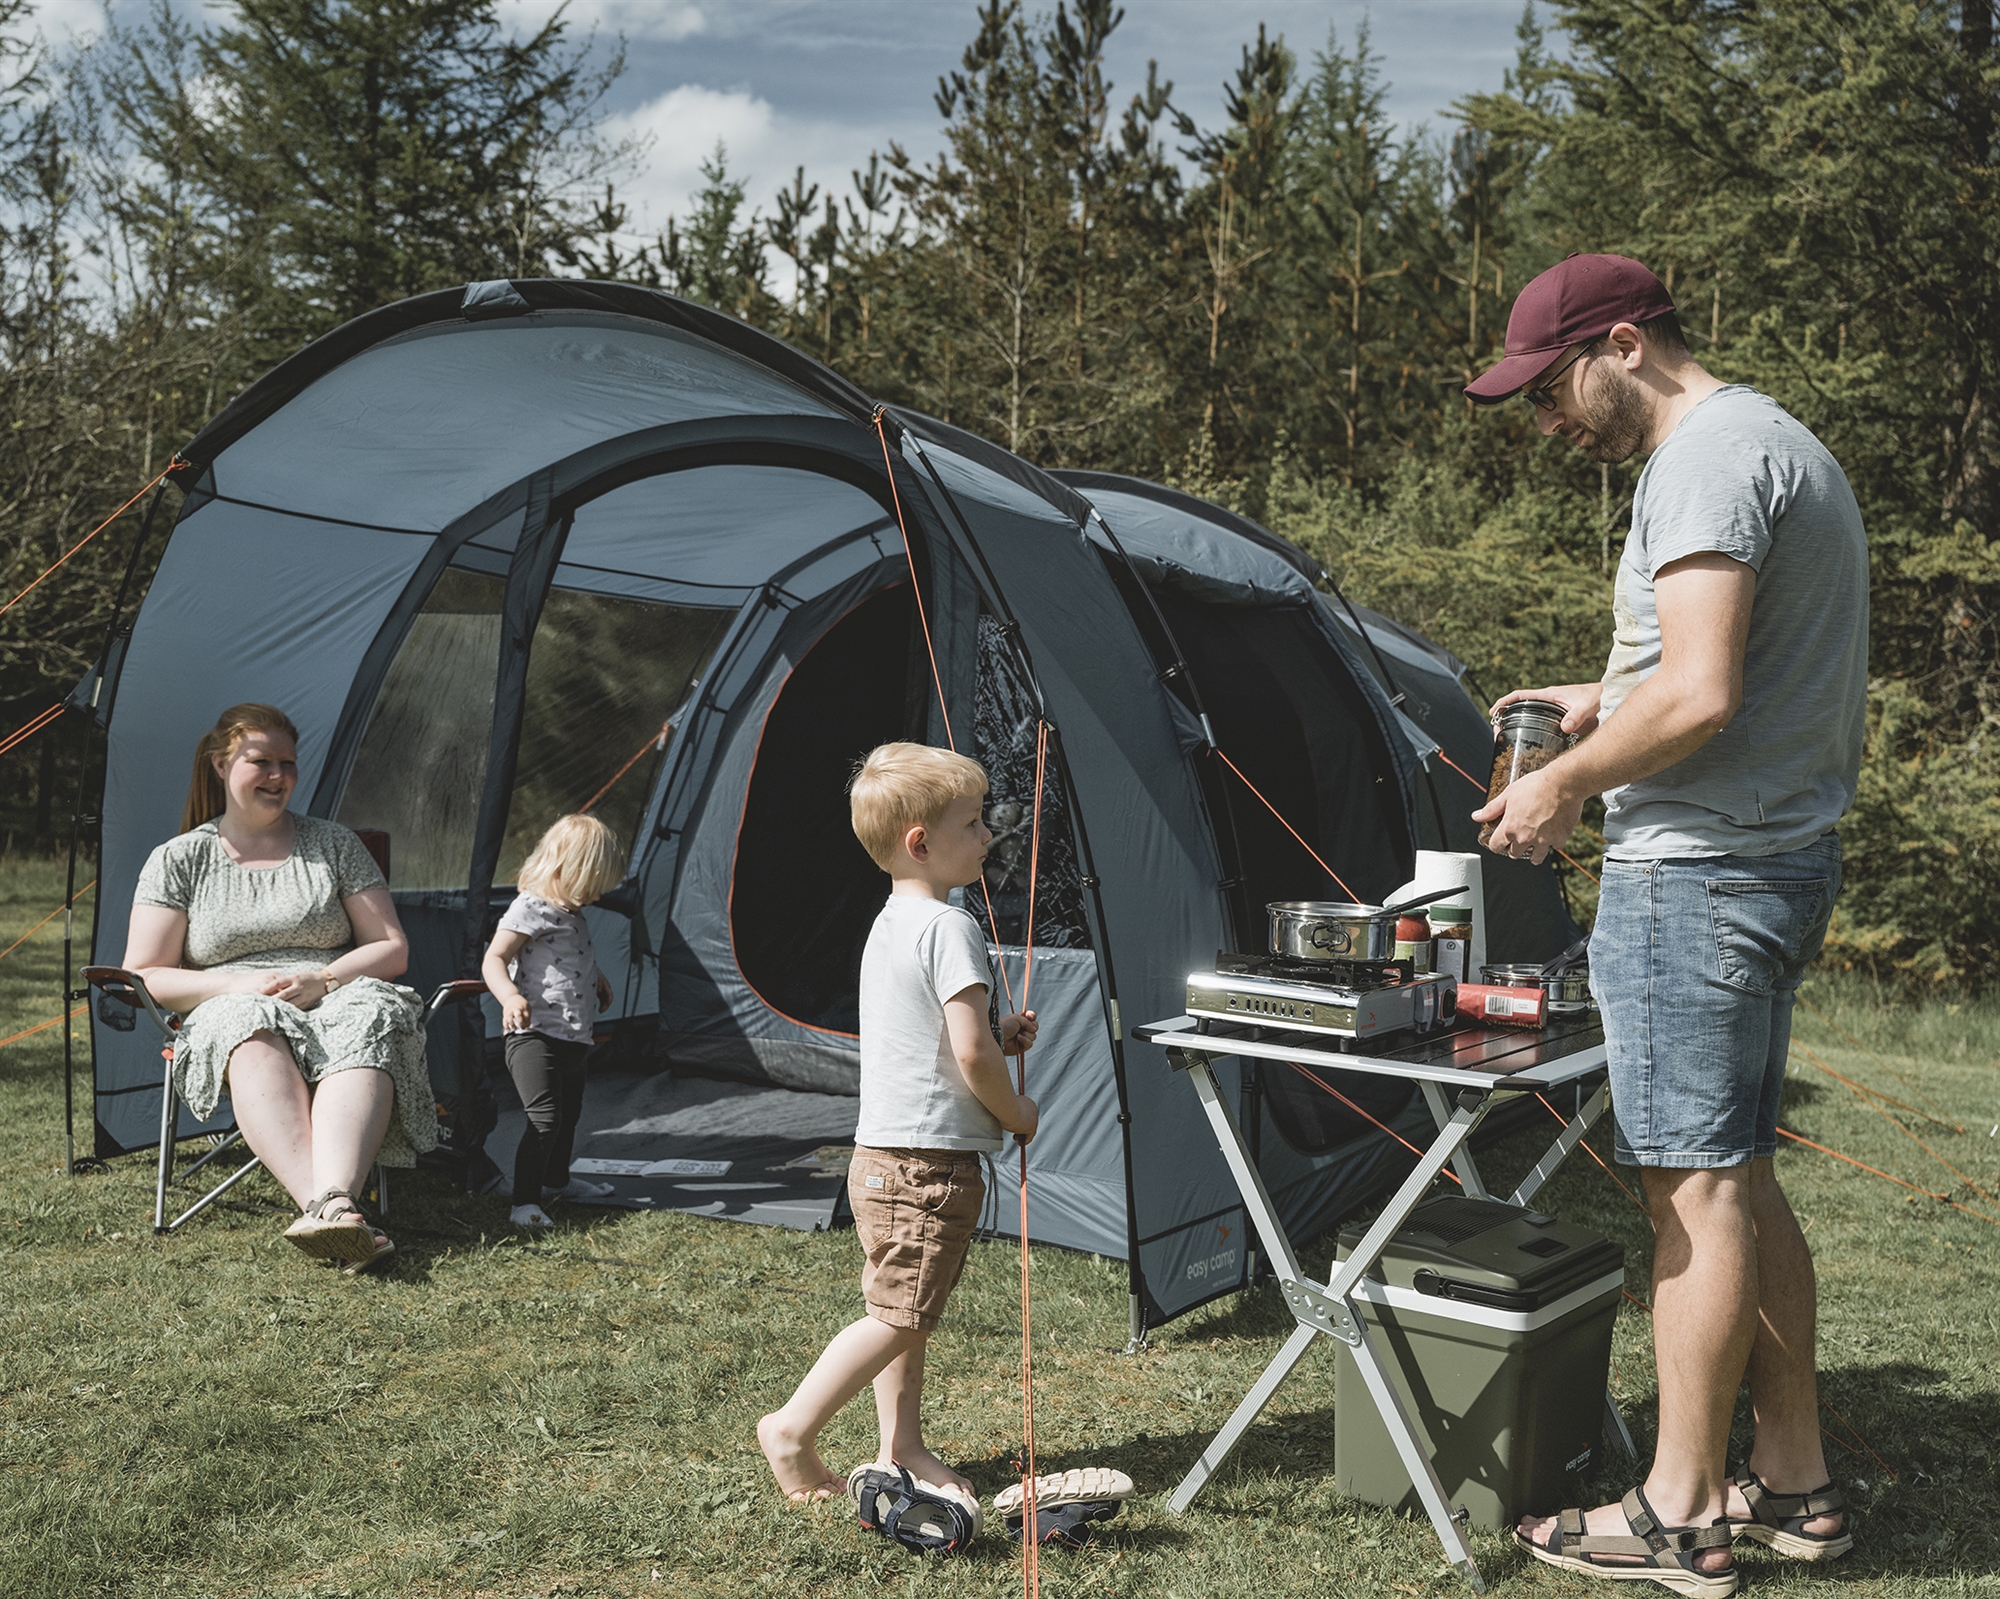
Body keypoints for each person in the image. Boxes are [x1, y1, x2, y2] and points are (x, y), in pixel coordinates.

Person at [1464, 254, 1866, 1596]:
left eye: (1551, 388)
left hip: (1694, 876)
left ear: (1623, 345)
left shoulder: (1699, 464)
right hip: (1774, 857)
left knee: (1688, 1189)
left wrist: (1561, 784)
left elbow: (1699, 696)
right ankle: (1793, 1478)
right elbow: (1728, 668)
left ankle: (1678, 1513)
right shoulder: (1777, 441)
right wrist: (1604, 694)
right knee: (1737, 1174)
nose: (1546, 421)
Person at [757, 742, 1039, 1506]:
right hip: (926, 1166)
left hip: (882, 1157)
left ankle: (901, 1445)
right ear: (921, 842)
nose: (989, 834)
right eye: (973, 823)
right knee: (898, 1315)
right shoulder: (950, 927)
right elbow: (971, 1055)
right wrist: (1016, 1110)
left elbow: (941, 1033)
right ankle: (791, 1429)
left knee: (901, 1310)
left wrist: (998, 1028)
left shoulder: (890, 922)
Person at [123, 703, 438, 1271]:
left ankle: (331, 1207)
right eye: (261, 762)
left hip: (334, 989)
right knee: (246, 1022)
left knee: (371, 1013)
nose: (277, 776)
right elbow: (146, 972)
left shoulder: (334, 845)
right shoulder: (180, 859)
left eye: (287, 763)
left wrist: (323, 978)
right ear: (221, 765)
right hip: (228, 999)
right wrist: (238, 984)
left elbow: (391, 948)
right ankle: (333, 1209)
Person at [481, 813, 623, 1229]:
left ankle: (557, 1182)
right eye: (592, 886)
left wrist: (596, 977)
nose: (596, 897)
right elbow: (494, 959)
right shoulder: (530, 907)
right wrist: (509, 996)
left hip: (573, 1036)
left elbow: (563, 958)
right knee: (544, 1118)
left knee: (568, 1115)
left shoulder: (571, 912)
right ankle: (523, 1202)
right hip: (533, 1035)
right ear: (565, 869)